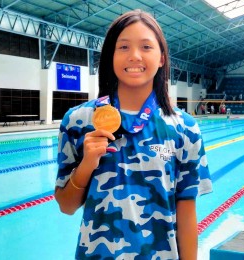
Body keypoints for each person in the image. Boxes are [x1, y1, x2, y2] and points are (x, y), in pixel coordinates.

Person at [54, 9, 212, 259]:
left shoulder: (185, 128)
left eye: (146, 47)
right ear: (110, 57)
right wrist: (86, 164)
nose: (135, 56)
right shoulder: (78, 121)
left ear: (161, 57)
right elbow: (66, 206)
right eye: (124, 47)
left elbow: (186, 209)